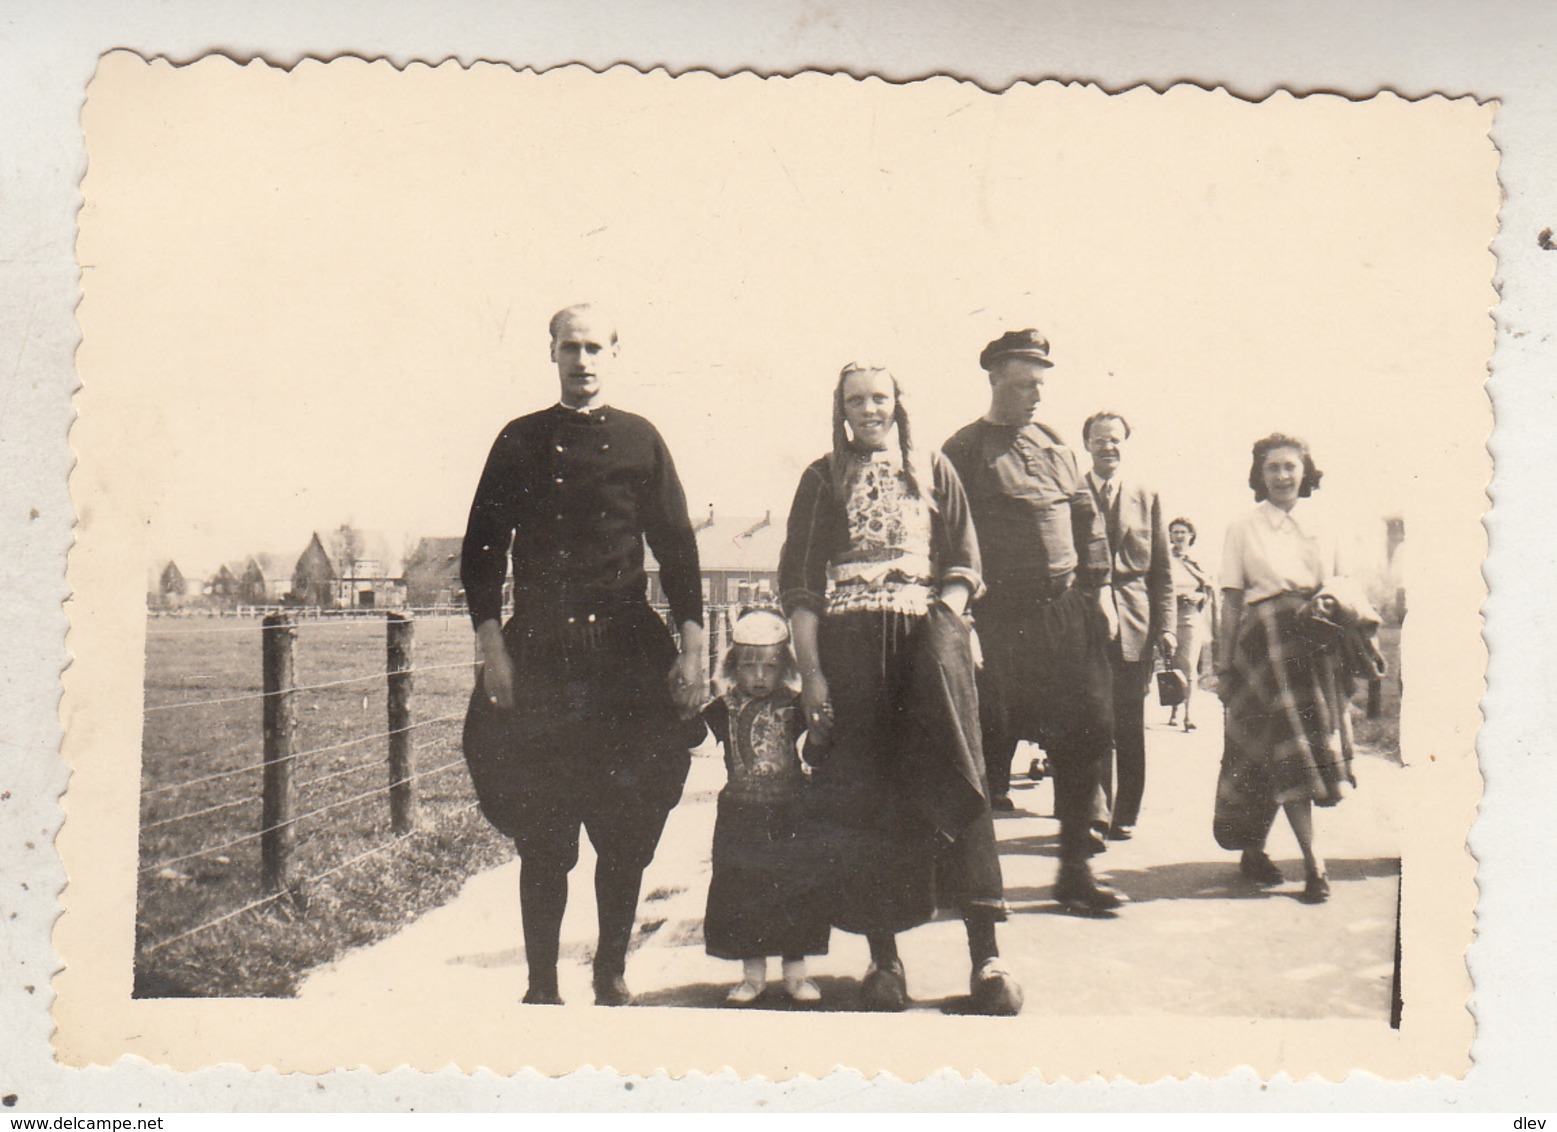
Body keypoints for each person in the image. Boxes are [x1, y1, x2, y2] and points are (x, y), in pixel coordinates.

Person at [459, 303, 706, 1006]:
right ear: (552, 354)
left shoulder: (640, 441)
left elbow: (678, 549)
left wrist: (690, 646)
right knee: (543, 830)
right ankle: (540, 984)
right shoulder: (517, 440)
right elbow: (481, 551)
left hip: (624, 656)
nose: (582, 360)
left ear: (614, 353)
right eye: (570, 347)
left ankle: (610, 971)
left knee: (624, 823)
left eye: (595, 347)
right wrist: (491, 646)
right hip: (538, 651)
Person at [779, 362, 1023, 1015]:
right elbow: (800, 590)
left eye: (878, 398)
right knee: (868, 799)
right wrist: (812, 675)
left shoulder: (934, 467)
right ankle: (884, 963)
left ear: (896, 403)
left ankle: (988, 961)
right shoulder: (820, 477)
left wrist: (942, 626)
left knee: (960, 783)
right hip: (852, 653)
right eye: (855, 401)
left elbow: (964, 563)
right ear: (840, 408)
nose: (868, 410)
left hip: (927, 648)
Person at [942, 329, 1124, 914]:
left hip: (1065, 611)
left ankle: (1076, 871)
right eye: (1023, 385)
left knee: (1088, 732)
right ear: (993, 379)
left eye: (1040, 384)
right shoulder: (963, 450)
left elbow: (1086, 516)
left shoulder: (1056, 445)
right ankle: (968, 882)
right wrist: (960, 618)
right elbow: (945, 536)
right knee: (982, 743)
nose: (1034, 396)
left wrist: (1101, 594)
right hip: (998, 619)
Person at [1213, 432, 1358, 904]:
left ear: (1305, 471)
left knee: (1292, 752)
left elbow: (1342, 583)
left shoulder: (1326, 523)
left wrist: (1332, 605)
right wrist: (1224, 663)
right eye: (1272, 467)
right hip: (1261, 648)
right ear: (1259, 475)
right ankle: (1298, 861)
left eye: (1290, 467)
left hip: (1313, 647)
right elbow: (1232, 599)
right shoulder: (1243, 527)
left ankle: (1294, 860)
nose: (1281, 476)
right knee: (1260, 751)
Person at [702, 609, 829, 1006]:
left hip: (790, 810)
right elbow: (696, 740)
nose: (759, 676)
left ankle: (795, 974)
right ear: (732, 666)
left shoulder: (794, 705)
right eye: (749, 666)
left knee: (795, 889)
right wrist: (683, 707)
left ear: (785, 668)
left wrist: (823, 727)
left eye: (770, 667)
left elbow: (815, 748)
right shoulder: (723, 707)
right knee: (743, 892)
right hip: (740, 812)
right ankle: (752, 976)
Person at [1082, 411, 1174, 842]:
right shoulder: (1071, 494)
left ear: (1125, 445)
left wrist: (1168, 627)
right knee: (1092, 721)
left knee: (1128, 723)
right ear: (1087, 445)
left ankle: (1125, 813)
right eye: (1100, 440)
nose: (1108, 447)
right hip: (1084, 623)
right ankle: (1095, 812)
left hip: (1136, 623)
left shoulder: (1146, 495)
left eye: (1115, 440)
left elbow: (1162, 572)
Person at [1166, 517, 1215, 732]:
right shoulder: (1165, 559)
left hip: (1190, 615)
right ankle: (1174, 709)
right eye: (1175, 532)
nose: (1178, 536)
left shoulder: (1198, 559)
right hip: (1169, 614)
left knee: (1188, 664)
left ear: (1191, 536)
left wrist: (1198, 596)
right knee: (1172, 664)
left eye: (1182, 532)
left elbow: (1210, 585)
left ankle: (1189, 713)